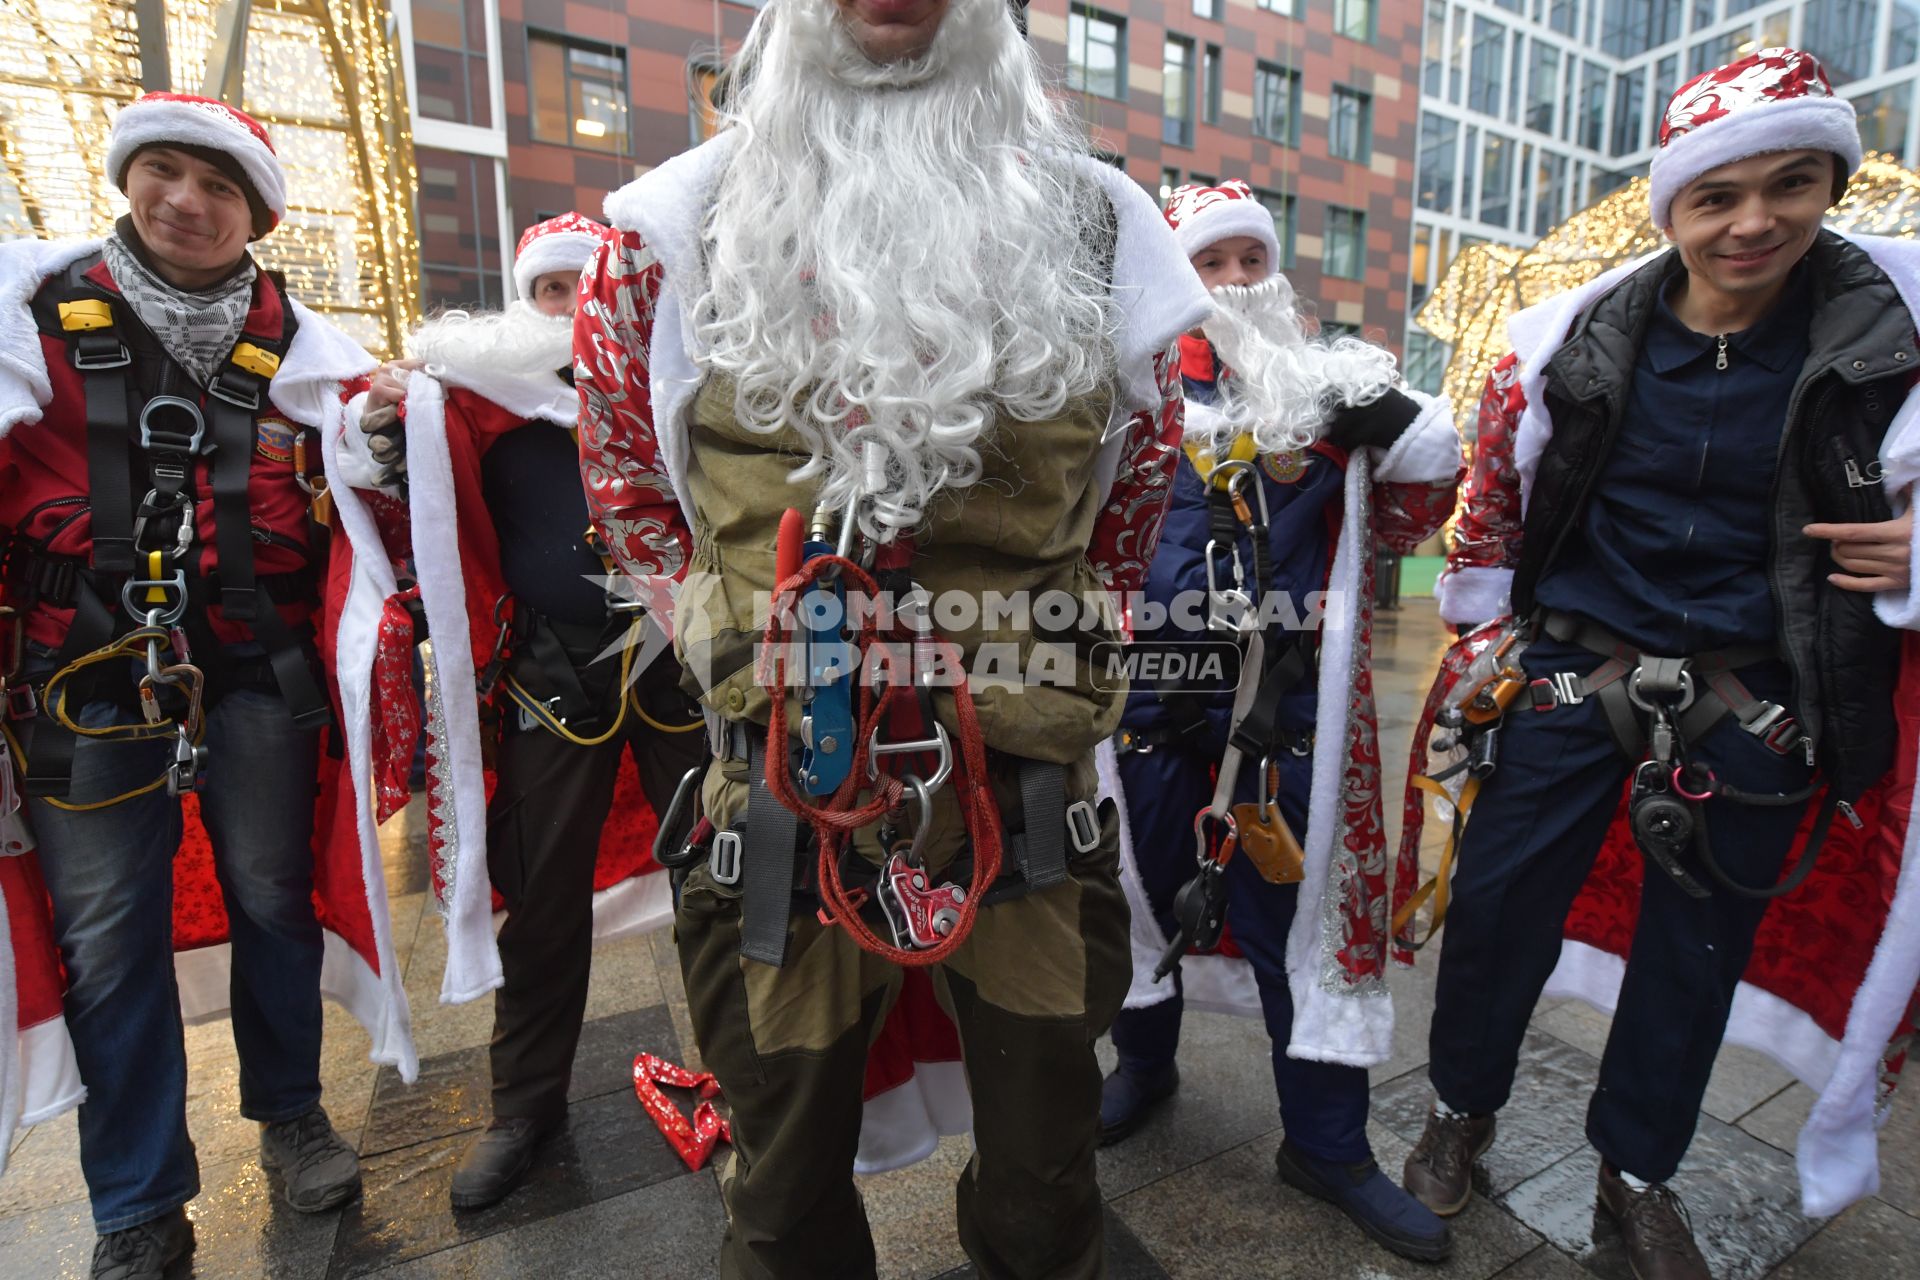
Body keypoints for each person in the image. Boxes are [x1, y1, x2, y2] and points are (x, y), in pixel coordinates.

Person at [573, 0, 1211, 1273]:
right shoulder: (664, 225)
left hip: (1024, 779)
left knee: (1045, 1162)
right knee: (786, 1160)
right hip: (783, 781)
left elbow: (1143, 474)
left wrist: (1049, 652)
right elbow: (626, 479)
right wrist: (729, 651)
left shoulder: (1105, 224)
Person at [1403, 48, 1920, 1279]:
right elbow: (1489, 509)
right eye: (1718, 195)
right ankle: (1458, 1107)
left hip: (1761, 700)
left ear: (1829, 183)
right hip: (1573, 676)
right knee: (1492, 916)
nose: (1754, 222)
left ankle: (1634, 1172)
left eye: (1790, 184)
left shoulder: (1891, 339)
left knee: (1694, 958)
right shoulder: (1567, 341)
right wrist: (1486, 648)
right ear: (1673, 204)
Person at [0, 93, 377, 1279]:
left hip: (260, 673)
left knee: (272, 897)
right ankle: (138, 1199)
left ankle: (292, 1114)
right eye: (163, 171)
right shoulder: (25, 321)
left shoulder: (313, 352)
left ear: (257, 209)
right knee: (110, 938)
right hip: (84, 679)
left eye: (219, 186)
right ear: (124, 180)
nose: (187, 202)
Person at [1097, 180, 1461, 1263]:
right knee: (1136, 897)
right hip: (1147, 709)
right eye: (1210, 264)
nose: (1233, 284)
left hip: (1288, 715)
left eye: (1251, 262)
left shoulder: (1336, 392)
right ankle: (1145, 1061)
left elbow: (1425, 504)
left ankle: (1329, 1145)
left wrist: (1381, 415)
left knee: (1305, 929)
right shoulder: (1124, 389)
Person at [351, 213, 707, 1210]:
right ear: (528, 300)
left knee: (722, 876)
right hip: (548, 670)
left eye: (587, 288)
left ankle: (759, 1075)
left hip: (677, 658)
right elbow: (394, 489)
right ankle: (524, 1106)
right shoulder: (473, 400)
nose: (571, 306)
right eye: (554, 290)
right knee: (542, 897)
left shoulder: (667, 381)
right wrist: (385, 433)